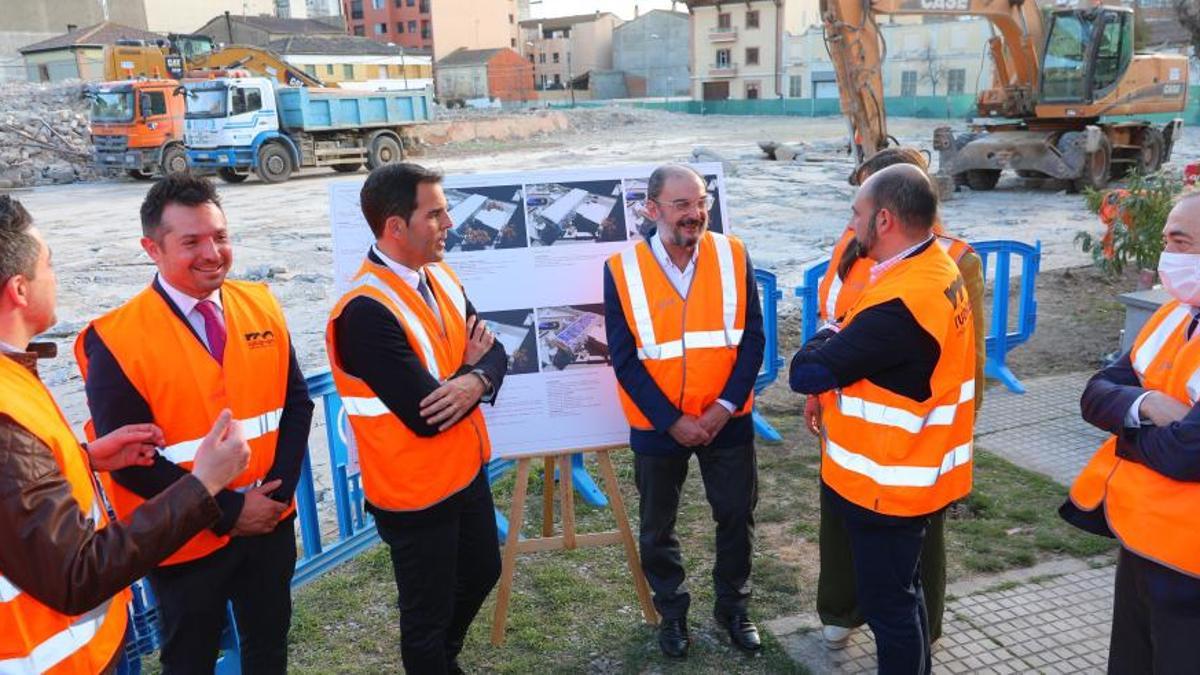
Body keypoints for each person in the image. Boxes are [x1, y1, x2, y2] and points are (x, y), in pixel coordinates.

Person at [0, 194, 251, 673]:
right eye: (48, 266)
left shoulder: (12, 376)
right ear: (19, 289)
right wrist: (204, 485)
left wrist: (85, 457)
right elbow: (77, 573)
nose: (56, 278)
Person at [77, 175, 314, 674]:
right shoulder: (116, 338)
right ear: (152, 248)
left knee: (269, 648)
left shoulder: (261, 304)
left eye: (220, 236)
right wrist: (229, 510)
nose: (212, 253)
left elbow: (295, 405)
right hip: (182, 540)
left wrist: (274, 498)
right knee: (190, 659)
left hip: (269, 522)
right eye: (191, 242)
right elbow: (131, 464)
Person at [790, 164, 976, 674]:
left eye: (857, 214)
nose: (851, 225)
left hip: (884, 482)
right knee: (905, 592)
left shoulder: (900, 305)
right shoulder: (934, 268)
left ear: (886, 220)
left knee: (889, 607)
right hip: (907, 472)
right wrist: (842, 331)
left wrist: (829, 329)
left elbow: (806, 373)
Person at [327, 163, 507, 674]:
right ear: (395, 227)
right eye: (436, 213)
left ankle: (442, 660)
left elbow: (498, 355)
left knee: (481, 570)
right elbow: (426, 415)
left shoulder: (441, 278)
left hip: (464, 469)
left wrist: (475, 377)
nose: (449, 223)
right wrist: (475, 370)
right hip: (413, 492)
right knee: (425, 615)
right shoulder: (364, 311)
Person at [604, 164, 766, 658]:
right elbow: (625, 358)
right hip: (659, 428)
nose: (695, 214)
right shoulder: (621, 270)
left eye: (701, 203)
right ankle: (672, 614)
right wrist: (671, 420)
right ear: (651, 210)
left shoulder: (733, 254)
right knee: (658, 528)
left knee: (737, 517)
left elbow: (753, 338)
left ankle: (733, 608)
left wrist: (722, 408)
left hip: (727, 421)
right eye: (682, 205)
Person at [1063, 191, 1200, 673]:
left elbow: (1189, 453)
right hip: (1141, 541)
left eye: (1180, 243)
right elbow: (1095, 394)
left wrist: (1124, 431)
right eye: (1166, 240)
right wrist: (1149, 404)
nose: (1166, 256)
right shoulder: (1174, 315)